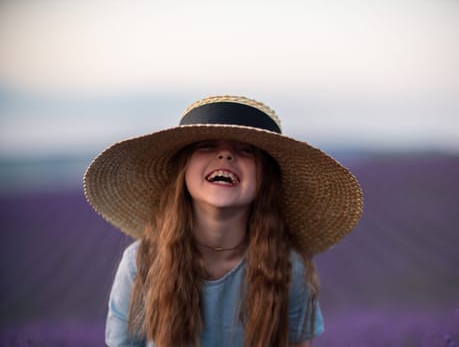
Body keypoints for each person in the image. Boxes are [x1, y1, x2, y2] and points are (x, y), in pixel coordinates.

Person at [83, 95, 363, 347]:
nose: (225, 155)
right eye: (206, 146)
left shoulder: (289, 267)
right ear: (183, 170)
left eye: (246, 150)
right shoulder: (142, 262)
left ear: (266, 180)